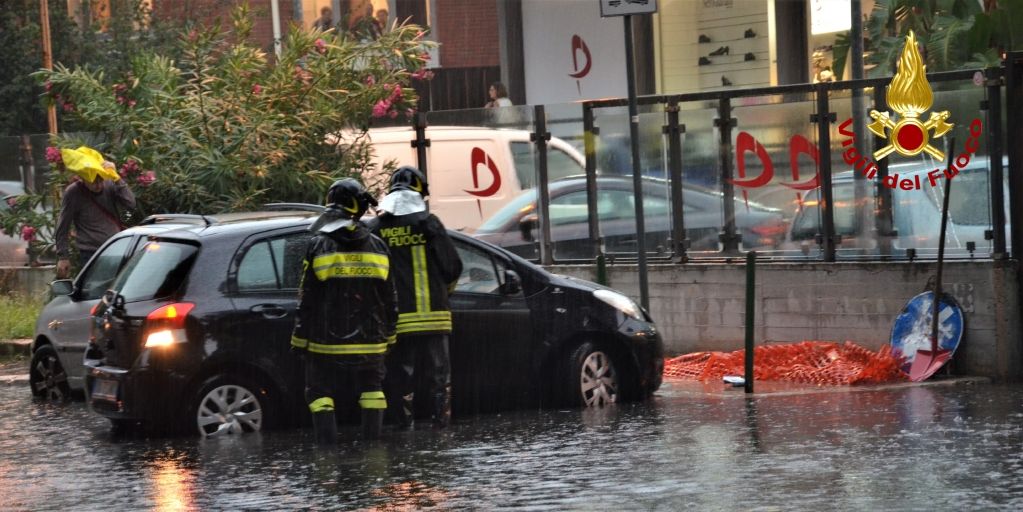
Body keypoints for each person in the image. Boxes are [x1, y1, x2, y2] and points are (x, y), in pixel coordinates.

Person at [291, 178, 398, 445]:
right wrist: (390, 335)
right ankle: (373, 450)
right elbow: (390, 297)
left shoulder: (318, 244)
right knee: (373, 390)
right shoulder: (379, 246)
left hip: (325, 343)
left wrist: (299, 338)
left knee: (319, 393)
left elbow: (307, 296)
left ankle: (327, 452)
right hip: (372, 342)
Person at [368, 166, 462, 430]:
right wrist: (444, 294)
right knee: (439, 376)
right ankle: (440, 425)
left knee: (401, 376)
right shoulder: (429, 224)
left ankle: (403, 427)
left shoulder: (377, 228)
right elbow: (453, 268)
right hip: (435, 317)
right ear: (420, 191)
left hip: (398, 319)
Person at [54, 151, 135, 279]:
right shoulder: (73, 192)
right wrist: (63, 256)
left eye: (101, 180)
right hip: (91, 254)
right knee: (95, 291)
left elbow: (130, 203)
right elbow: (63, 225)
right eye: (94, 182)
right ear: (83, 178)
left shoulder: (110, 184)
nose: (99, 185)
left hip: (115, 249)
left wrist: (117, 177)